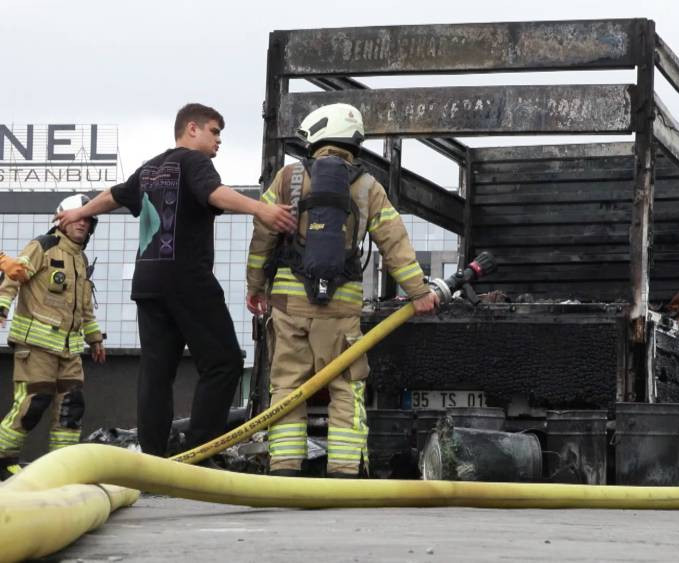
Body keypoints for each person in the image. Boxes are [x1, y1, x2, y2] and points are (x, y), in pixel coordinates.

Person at [55, 103, 296, 458]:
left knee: (157, 373)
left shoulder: (150, 167)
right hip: (186, 278)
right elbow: (214, 192)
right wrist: (261, 208)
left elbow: (115, 195)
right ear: (192, 129)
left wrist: (79, 210)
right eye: (214, 132)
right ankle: (200, 453)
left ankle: (154, 461)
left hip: (148, 282)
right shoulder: (195, 162)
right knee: (224, 362)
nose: (218, 141)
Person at [246, 103, 439, 477]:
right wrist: (419, 292)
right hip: (340, 311)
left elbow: (262, 237)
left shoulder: (288, 179)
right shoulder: (369, 187)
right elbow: (394, 243)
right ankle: (345, 470)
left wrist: (255, 286)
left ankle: (285, 467)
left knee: (287, 385)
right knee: (345, 388)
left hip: (289, 305)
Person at [0, 195, 106, 480]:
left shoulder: (81, 259)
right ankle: (2, 459)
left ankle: (63, 469)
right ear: (61, 218)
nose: (83, 223)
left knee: (71, 408)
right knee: (32, 404)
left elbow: (84, 306)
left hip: (70, 351)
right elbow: (12, 278)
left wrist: (95, 338)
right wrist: (1, 308)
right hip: (35, 348)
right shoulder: (42, 246)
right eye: (77, 217)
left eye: (88, 219)